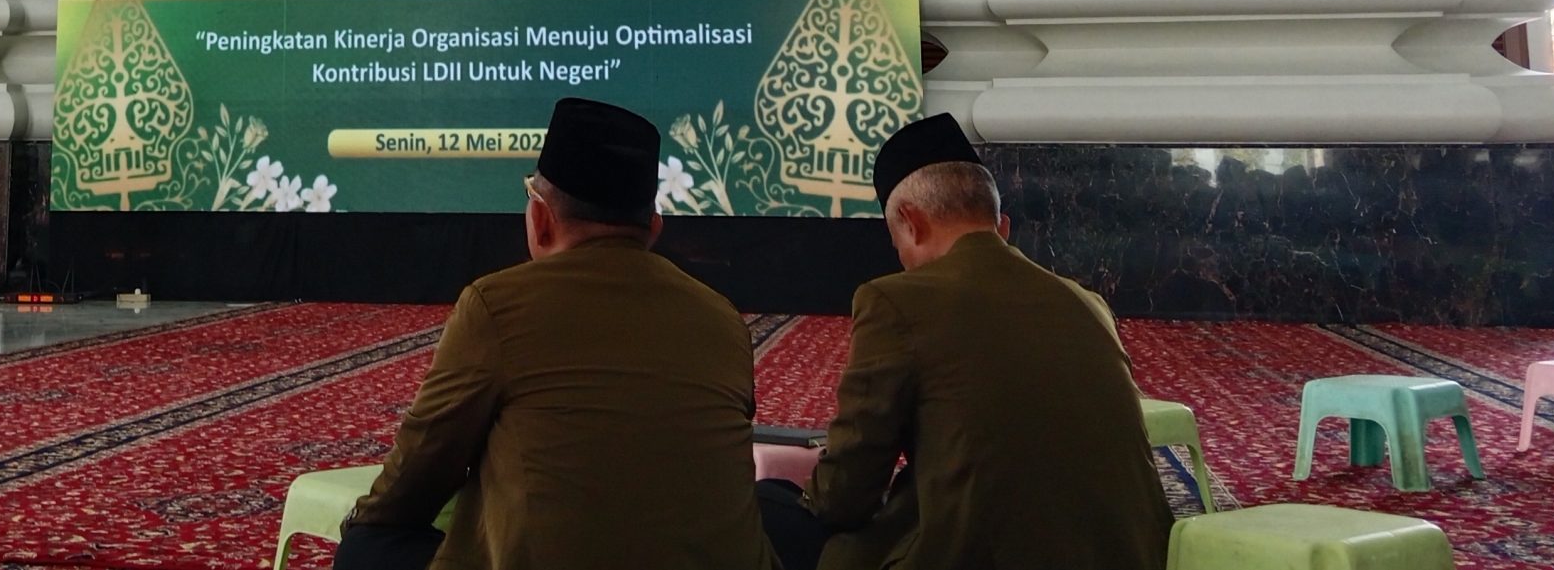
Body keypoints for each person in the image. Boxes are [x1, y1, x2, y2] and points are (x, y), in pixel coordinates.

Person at [340, 98, 780, 570]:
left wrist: (362, 523)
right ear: (653, 229)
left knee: (368, 547)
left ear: (540, 217)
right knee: (777, 502)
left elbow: (419, 473)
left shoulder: (496, 305)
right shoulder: (722, 318)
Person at [758, 115, 1169, 570]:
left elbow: (846, 496)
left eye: (897, 245)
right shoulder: (1087, 302)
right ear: (1001, 227)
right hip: (1137, 554)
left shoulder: (895, 300)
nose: (902, 261)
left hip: (985, 555)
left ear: (910, 223)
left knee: (764, 508)